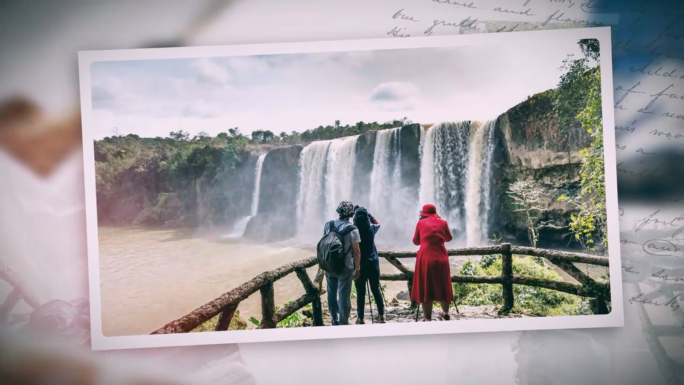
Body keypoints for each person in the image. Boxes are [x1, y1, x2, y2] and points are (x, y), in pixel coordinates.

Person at [410, 204, 454, 321]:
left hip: (425, 258)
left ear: (423, 214)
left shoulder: (420, 223)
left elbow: (415, 241)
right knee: (443, 285)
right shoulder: (443, 222)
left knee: (426, 287)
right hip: (441, 257)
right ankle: (445, 313)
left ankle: (427, 318)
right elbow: (449, 238)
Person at [322, 201, 361, 326]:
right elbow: (356, 252)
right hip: (346, 266)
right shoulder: (353, 230)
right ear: (351, 214)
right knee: (344, 296)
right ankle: (343, 322)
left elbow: (324, 244)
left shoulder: (328, 225)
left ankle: (334, 320)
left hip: (329, 265)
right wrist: (358, 268)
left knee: (331, 293)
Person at [352, 207, 385, 324]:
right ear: (366, 218)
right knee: (376, 289)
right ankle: (382, 315)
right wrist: (370, 215)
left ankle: (360, 318)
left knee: (360, 292)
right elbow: (378, 223)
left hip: (359, 264)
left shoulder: (353, 231)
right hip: (373, 264)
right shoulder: (371, 228)